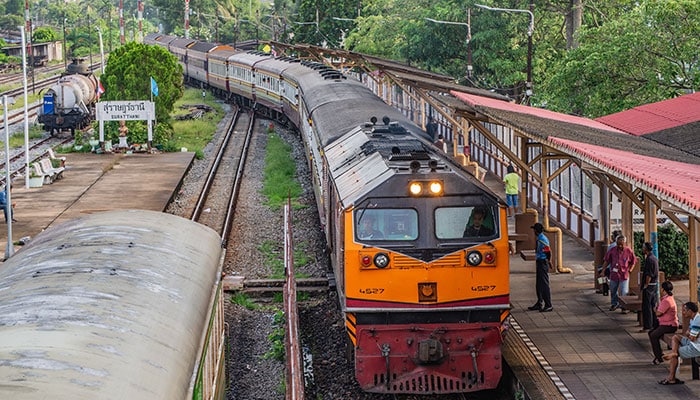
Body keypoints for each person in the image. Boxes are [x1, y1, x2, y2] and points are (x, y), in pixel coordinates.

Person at [659, 302, 700, 385]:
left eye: (685, 311)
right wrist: (689, 333)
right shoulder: (693, 319)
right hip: (692, 342)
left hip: (696, 346)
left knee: (676, 354)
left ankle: (671, 378)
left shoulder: (697, 320)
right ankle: (673, 352)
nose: (683, 313)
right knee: (676, 337)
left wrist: (689, 334)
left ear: (690, 311)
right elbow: (688, 333)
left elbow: (692, 337)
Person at [599, 234, 636, 313]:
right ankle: (614, 303)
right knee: (613, 289)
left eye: (621, 244)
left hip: (624, 274)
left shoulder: (628, 251)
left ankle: (624, 307)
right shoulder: (612, 250)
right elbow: (606, 261)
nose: (620, 246)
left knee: (624, 291)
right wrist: (603, 271)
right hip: (614, 274)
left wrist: (630, 270)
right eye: (618, 244)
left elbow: (633, 261)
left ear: (624, 243)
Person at [648, 281, 678, 365]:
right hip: (667, 324)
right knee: (651, 332)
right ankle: (659, 355)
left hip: (669, 325)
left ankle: (659, 357)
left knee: (653, 335)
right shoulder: (669, 298)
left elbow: (658, 313)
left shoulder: (666, 300)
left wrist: (655, 310)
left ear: (663, 289)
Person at [527, 223, 553, 312]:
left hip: (542, 262)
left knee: (544, 284)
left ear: (536, 231)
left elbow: (548, 251)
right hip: (539, 262)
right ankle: (539, 302)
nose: (533, 231)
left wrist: (549, 261)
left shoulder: (542, 240)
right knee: (539, 284)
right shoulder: (539, 238)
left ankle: (548, 304)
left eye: (534, 229)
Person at [641, 241, 659, 332]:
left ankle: (648, 325)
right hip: (654, 285)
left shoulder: (649, 259)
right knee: (652, 305)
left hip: (649, 286)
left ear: (645, 249)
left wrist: (645, 285)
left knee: (647, 306)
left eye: (643, 247)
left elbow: (649, 274)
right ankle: (654, 324)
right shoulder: (653, 258)